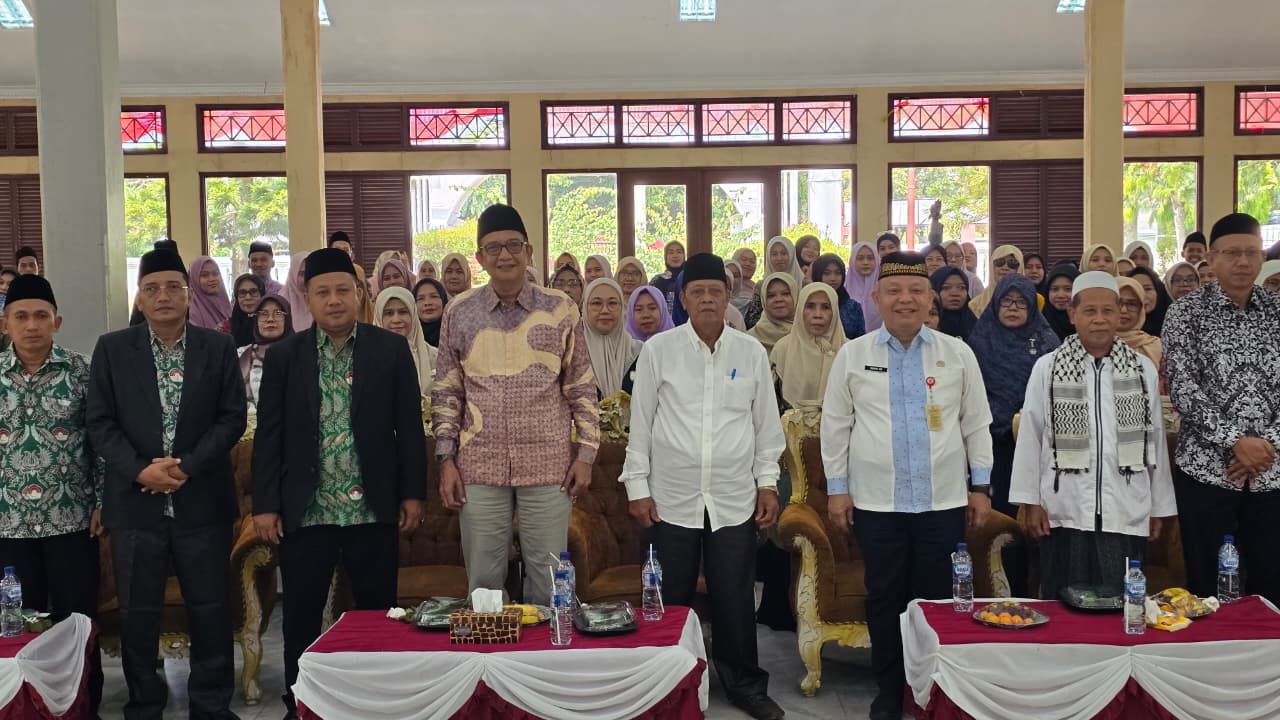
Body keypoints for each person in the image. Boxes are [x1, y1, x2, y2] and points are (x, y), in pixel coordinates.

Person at [251, 248, 426, 719]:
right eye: (323, 292)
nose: (334, 300)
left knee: (377, 611)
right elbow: (269, 434)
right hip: (308, 508)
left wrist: (412, 494)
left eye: (343, 291)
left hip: (372, 506)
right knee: (301, 615)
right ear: (307, 298)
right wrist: (265, 504)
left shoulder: (389, 350)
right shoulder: (285, 356)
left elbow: (409, 429)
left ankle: (379, 700)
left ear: (359, 294)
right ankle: (302, 700)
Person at [822, 251, 993, 720]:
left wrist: (980, 486)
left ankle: (930, 690)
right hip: (877, 502)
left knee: (935, 600)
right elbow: (835, 427)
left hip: (942, 501)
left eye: (916, 290)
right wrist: (838, 489)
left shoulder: (956, 353)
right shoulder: (854, 355)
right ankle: (890, 691)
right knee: (884, 598)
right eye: (894, 290)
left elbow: (976, 423)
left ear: (930, 298)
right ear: (877, 297)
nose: (905, 299)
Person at [623, 253, 786, 720]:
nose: (708, 299)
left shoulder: (750, 352)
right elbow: (641, 424)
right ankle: (664, 683)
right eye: (698, 292)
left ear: (728, 295)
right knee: (669, 596)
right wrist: (637, 488)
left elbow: (766, 428)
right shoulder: (659, 351)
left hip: (733, 497)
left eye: (716, 291)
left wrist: (767, 484)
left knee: (734, 595)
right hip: (671, 496)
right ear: (684, 299)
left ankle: (744, 685)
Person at [87, 248, 246, 719]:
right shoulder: (112, 349)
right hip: (135, 503)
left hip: (202, 500)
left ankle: (211, 705)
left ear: (188, 295)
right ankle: (144, 703)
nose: (163, 296)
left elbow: (232, 418)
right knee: (137, 613)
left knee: (210, 608)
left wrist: (185, 467)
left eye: (173, 287)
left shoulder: (217, 347)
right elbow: (100, 423)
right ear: (139, 297)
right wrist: (142, 470)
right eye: (152, 288)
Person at [433, 204, 599, 607]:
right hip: (479, 464)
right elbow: (448, 392)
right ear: (480, 258)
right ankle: (491, 650)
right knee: (484, 584)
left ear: (528, 251)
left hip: (547, 464)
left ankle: (549, 649)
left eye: (513, 245)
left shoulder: (560, 309)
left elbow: (581, 386)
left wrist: (586, 455)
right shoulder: (460, 311)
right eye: (493, 248)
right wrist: (446, 460)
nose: (504, 255)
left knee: (549, 578)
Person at [1011, 271, 1174, 600]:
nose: (1099, 319)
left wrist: (1159, 506)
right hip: (1064, 508)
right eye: (1090, 311)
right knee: (1064, 605)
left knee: (1120, 605)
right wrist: (1031, 501)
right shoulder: (1048, 367)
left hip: (1125, 508)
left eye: (1108, 310)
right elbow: (1031, 436)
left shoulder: (1141, 368)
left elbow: (1155, 439)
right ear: (1073, 314)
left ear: (1119, 313)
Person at [0, 275, 104, 714]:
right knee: (18, 629)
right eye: (21, 316)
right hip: (9, 526)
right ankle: (28, 709)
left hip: (72, 521)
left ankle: (84, 706)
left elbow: (101, 442)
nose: (31, 326)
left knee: (77, 623)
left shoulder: (83, 371)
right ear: (5, 323)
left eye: (41, 316)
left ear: (57, 322)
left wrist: (103, 502)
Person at [1164, 212, 1280, 606]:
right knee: (1207, 586)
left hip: (1272, 472)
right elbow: (1183, 387)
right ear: (1211, 258)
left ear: (1262, 257)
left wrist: (1266, 445)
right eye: (1232, 253)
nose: (1243, 262)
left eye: (1251, 252)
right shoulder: (1186, 313)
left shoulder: (1277, 311)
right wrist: (1235, 442)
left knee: (1271, 584)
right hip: (1207, 472)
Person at [966, 275, 1060, 518]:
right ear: (996, 303)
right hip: (991, 438)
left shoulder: (1048, 342)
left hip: (1037, 439)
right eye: (1007, 301)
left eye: (1021, 302)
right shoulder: (979, 340)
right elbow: (970, 392)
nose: (1013, 308)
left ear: (1032, 306)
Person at [771, 282, 846, 410]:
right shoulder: (783, 349)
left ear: (835, 311)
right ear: (800, 310)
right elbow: (771, 403)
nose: (818, 315)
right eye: (810, 306)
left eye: (826, 307)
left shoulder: (848, 351)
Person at [375, 286, 437, 404]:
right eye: (388, 313)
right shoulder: (367, 358)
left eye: (403, 312)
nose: (396, 319)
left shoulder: (434, 356)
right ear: (378, 317)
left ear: (413, 315)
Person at [582, 278, 641, 399]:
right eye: (596, 303)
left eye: (612, 303)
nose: (605, 310)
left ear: (622, 308)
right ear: (585, 308)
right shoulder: (572, 357)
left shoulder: (640, 353)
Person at [238, 293, 292, 418]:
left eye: (278, 313)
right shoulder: (241, 355)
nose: (270, 319)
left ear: (288, 319)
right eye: (263, 313)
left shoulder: (300, 354)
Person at [811, 253, 865, 339]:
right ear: (817, 274)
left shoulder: (853, 307)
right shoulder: (807, 304)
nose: (833, 278)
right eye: (827, 273)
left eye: (838, 273)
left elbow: (861, 340)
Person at [1116, 277, 1163, 371]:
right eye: (1118, 303)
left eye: (1131, 304)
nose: (1124, 310)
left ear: (1141, 309)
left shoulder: (1156, 346)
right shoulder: (1092, 344)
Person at [747, 272, 798, 355]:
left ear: (796, 296)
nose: (779, 299)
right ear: (764, 300)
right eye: (771, 296)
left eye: (785, 294)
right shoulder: (750, 339)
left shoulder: (807, 335)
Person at [968, 245, 1023, 316]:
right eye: (999, 262)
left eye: (1012, 264)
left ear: (1020, 268)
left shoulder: (1030, 301)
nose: (1005, 267)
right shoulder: (975, 305)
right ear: (992, 267)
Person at [845, 241, 883, 332]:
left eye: (870, 258)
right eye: (860, 258)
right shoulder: (843, 289)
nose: (865, 262)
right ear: (852, 261)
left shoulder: (885, 289)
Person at [931, 266, 977, 340]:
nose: (955, 294)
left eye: (961, 287)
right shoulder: (925, 323)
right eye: (946, 287)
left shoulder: (977, 323)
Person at [188, 256, 233, 330]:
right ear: (194, 279)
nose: (212, 279)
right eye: (204, 275)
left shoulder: (225, 303)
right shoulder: (191, 313)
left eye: (215, 274)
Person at [1126, 266, 1172, 337]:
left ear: (1158, 291)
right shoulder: (1117, 330)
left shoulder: (1174, 324)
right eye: (1135, 289)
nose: (1142, 295)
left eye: (1147, 289)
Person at [221, 274, 265, 346]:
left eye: (253, 292)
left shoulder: (271, 324)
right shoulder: (226, 328)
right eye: (242, 293)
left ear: (262, 295)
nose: (248, 297)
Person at [1042, 263, 1080, 340]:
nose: (1060, 295)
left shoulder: (1087, 321)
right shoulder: (1039, 322)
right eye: (1055, 289)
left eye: (1068, 289)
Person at [649, 241, 687, 313]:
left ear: (684, 256)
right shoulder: (657, 280)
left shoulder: (689, 278)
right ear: (665, 257)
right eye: (671, 253)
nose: (675, 255)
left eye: (679, 252)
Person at [413, 277, 448, 347]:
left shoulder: (454, 333)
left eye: (434, 296)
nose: (427, 303)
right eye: (421, 298)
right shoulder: (410, 337)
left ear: (443, 301)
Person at [284, 251, 313, 333]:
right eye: (302, 274)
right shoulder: (283, 299)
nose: (307, 278)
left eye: (310, 273)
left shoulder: (320, 298)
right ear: (293, 274)